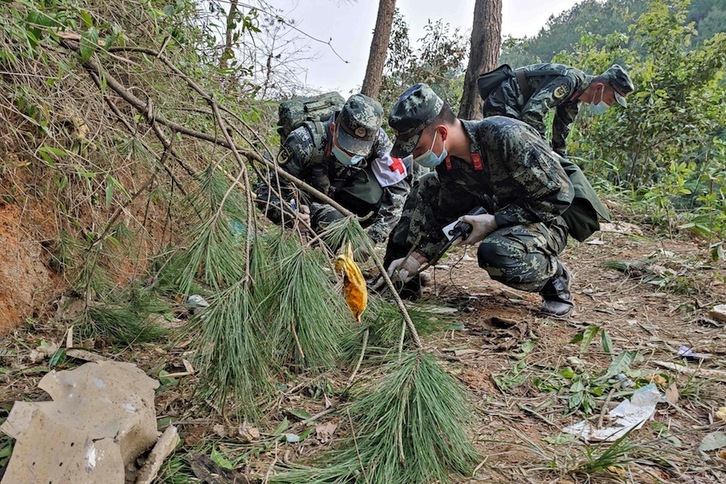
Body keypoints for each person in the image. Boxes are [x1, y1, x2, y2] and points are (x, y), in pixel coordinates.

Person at [381, 83, 607, 318]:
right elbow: (448, 216)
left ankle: (554, 279)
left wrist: (495, 221)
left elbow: (558, 196)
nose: (415, 156)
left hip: (549, 216)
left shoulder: (506, 136)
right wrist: (417, 258)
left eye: (417, 148)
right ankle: (399, 279)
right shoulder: (449, 164)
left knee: (496, 252)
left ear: (442, 133)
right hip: (500, 210)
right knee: (426, 185)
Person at [258, 93, 411, 249]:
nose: (352, 154)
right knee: (335, 221)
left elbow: (398, 190)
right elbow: (266, 193)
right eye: (347, 147)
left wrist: (373, 238)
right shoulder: (303, 141)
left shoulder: (379, 140)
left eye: (359, 151)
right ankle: (322, 249)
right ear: (333, 128)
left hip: (349, 196)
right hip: (312, 203)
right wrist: (292, 216)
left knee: (412, 169)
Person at [480, 63, 634, 156]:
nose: (607, 105)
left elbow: (559, 137)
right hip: (504, 102)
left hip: (516, 109)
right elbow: (532, 114)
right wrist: (545, 150)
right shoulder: (570, 81)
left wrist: (562, 164)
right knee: (513, 153)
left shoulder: (574, 99)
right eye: (609, 100)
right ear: (600, 87)